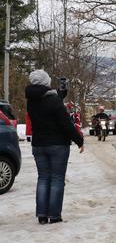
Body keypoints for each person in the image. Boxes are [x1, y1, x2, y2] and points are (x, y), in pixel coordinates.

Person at [26, 70, 84, 225]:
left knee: (43, 178)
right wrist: (79, 140)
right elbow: (66, 124)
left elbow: (48, 100)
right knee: (57, 179)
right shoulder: (53, 101)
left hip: (39, 145)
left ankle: (42, 215)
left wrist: (60, 95)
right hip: (57, 145)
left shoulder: (30, 101)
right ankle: (54, 215)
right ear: (46, 82)